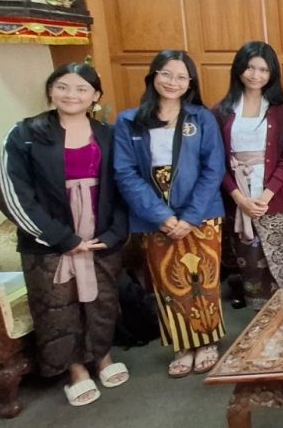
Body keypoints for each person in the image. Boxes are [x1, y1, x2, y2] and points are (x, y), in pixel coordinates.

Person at [0, 63, 129, 406]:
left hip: (99, 233)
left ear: (95, 96)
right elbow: (12, 193)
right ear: (51, 91)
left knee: (101, 299)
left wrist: (117, 231)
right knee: (57, 304)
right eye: (63, 87)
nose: (72, 95)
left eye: (82, 89)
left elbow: (124, 185)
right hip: (50, 236)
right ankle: (75, 369)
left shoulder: (109, 134)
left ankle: (101, 357)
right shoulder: (24, 133)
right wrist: (62, 238)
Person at [113, 50, 226, 378]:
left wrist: (190, 216)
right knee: (166, 282)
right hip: (153, 213)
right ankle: (181, 345)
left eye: (181, 76)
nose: (173, 82)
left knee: (204, 278)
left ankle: (207, 341)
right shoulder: (128, 121)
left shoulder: (201, 118)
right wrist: (160, 215)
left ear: (190, 82)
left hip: (201, 212)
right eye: (166, 74)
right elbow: (125, 172)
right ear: (153, 77)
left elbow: (213, 167)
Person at [213, 41, 283, 310]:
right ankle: (257, 317)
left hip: (273, 198)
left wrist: (265, 196)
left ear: (271, 73)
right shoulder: (221, 111)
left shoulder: (281, 111)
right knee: (249, 263)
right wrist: (240, 199)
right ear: (239, 69)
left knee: (277, 260)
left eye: (263, 69)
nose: (255, 74)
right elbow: (216, 162)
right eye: (250, 67)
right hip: (237, 198)